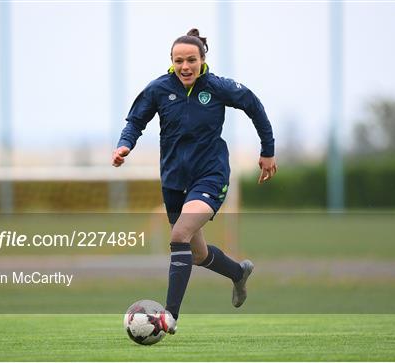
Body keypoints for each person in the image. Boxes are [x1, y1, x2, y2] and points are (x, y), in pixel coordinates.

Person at [112, 28, 277, 334]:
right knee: (197, 254)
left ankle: (169, 317)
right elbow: (135, 120)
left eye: (191, 60)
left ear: (203, 60)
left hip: (210, 176)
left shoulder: (217, 87)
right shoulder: (159, 89)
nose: (185, 66)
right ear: (171, 62)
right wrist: (125, 145)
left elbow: (254, 105)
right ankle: (238, 272)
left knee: (178, 236)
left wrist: (267, 151)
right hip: (174, 181)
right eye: (178, 61)